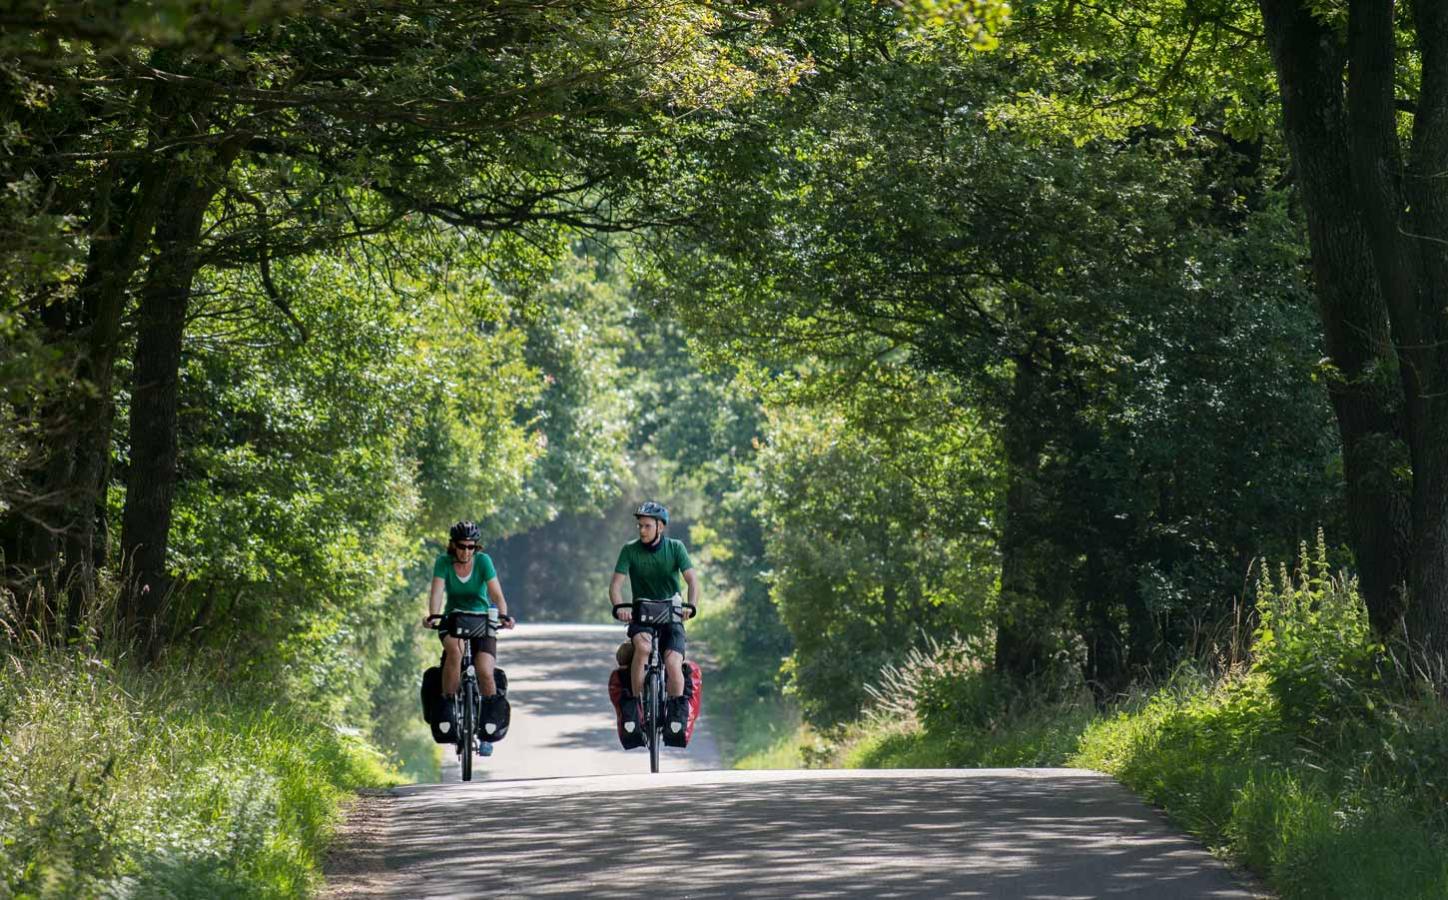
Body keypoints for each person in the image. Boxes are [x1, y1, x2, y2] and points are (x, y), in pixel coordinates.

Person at [424, 520, 515, 752]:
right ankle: (448, 710)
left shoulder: (483, 562)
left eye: (471, 547)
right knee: (455, 650)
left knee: (485, 670)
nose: (466, 551)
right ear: (453, 545)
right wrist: (433, 615)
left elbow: (497, 595)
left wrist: (504, 616)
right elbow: (437, 592)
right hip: (452, 619)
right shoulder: (443, 563)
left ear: (476, 547)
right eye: (462, 546)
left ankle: (488, 729)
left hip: (482, 619)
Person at [610, 500, 699, 709]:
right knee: (642, 648)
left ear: (661, 526)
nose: (642, 530)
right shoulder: (629, 550)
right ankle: (637, 706)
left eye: (647, 526)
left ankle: (676, 712)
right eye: (640, 525)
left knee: (673, 662)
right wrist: (621, 607)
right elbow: (615, 585)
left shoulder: (676, 548)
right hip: (641, 616)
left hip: (672, 615)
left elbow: (692, 581)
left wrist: (690, 606)